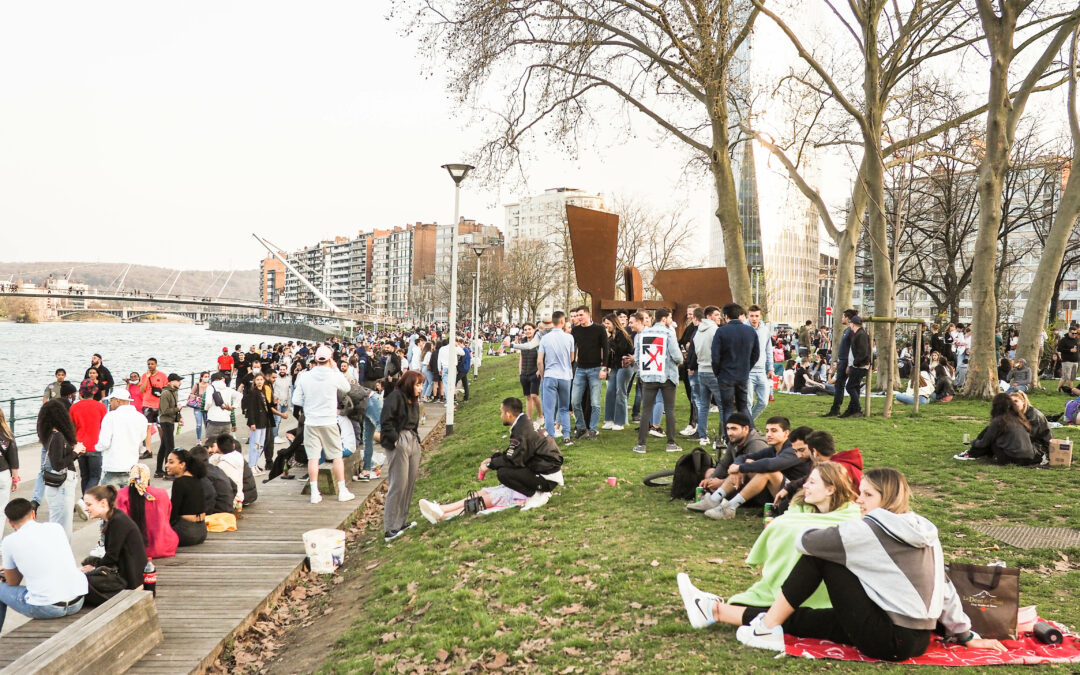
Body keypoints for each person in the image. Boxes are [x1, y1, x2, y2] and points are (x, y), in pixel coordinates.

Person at [684, 468, 1006, 660]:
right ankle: (715, 612)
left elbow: (805, 544)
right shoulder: (924, 528)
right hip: (913, 637)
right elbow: (944, 585)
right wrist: (965, 635)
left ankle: (766, 628)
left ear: (886, 498)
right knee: (807, 619)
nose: (858, 501)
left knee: (820, 557)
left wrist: (823, 531)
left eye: (866, 495)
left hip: (888, 637)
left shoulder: (869, 528)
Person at [680, 463, 861, 628]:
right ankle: (714, 608)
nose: (805, 486)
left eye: (812, 483)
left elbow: (774, 463)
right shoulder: (801, 510)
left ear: (830, 490)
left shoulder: (849, 520)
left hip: (828, 598)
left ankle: (713, 609)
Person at [419, 397, 563, 523]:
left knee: (501, 477)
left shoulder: (521, 429)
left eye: (501, 412)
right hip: (541, 470)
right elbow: (514, 454)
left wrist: (490, 465)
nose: (501, 416)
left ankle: (536, 494)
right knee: (486, 491)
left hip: (545, 477)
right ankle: (441, 509)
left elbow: (513, 459)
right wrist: (493, 460)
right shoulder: (524, 423)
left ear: (508, 414)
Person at [697, 419, 811, 521]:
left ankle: (730, 506)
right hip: (778, 493)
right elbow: (742, 457)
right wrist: (739, 468)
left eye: (774, 431)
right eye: (767, 431)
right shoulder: (773, 449)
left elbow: (771, 465)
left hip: (796, 495)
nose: (769, 434)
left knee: (767, 472)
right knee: (747, 464)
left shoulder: (793, 450)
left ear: (786, 433)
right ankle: (714, 499)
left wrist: (741, 468)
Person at [0, 498, 87, 631]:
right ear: (33, 514)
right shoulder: (56, 528)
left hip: (48, 607)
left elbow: (13, 582)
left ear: (11, 523)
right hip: (77, 600)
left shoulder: (9, 541)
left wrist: (8, 572)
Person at [292, 345, 355, 504]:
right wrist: (335, 369)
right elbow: (347, 388)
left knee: (312, 457)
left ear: (315, 359)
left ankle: (314, 493)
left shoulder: (305, 376)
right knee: (336, 456)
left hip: (311, 421)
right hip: (329, 420)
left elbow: (296, 400)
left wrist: (310, 403)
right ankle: (342, 491)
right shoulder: (333, 375)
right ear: (330, 358)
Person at [80, 485, 149, 603]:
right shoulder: (115, 518)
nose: (86, 509)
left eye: (89, 504)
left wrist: (94, 567)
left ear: (103, 503)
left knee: (80, 581)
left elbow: (111, 557)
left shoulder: (117, 521)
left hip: (129, 581)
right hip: (129, 576)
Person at [380, 370, 425, 542]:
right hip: (399, 440)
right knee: (398, 484)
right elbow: (386, 420)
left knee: (409, 483)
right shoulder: (395, 397)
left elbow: (413, 423)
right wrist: (395, 440)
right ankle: (390, 527)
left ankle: (401, 522)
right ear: (409, 384)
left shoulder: (413, 400)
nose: (420, 388)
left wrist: (416, 441)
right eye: (417, 384)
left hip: (412, 440)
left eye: (421, 385)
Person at [632, 309, 684, 454]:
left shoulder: (643, 334)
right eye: (670, 317)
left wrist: (642, 373)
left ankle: (641, 444)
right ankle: (671, 443)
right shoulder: (669, 333)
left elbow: (637, 357)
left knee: (646, 410)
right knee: (669, 410)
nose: (671, 320)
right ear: (664, 318)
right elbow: (677, 356)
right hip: (667, 376)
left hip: (649, 376)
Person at [37, 398, 86, 540]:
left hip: (59, 485)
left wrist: (74, 451)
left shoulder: (49, 435)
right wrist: (75, 452)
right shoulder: (57, 436)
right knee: (63, 527)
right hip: (63, 484)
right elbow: (58, 464)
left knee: (59, 523)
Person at [694, 413, 771, 494]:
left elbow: (751, 476)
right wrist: (711, 479)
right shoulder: (735, 440)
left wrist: (721, 483)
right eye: (728, 429)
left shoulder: (756, 445)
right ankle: (715, 492)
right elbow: (724, 463)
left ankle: (717, 495)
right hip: (736, 477)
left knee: (738, 473)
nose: (729, 433)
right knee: (710, 472)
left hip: (755, 486)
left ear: (746, 429)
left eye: (734, 429)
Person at [710, 303, 759, 430]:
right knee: (743, 407)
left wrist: (717, 372)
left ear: (726, 316)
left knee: (728, 409)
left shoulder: (721, 331)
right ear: (740, 315)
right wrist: (747, 367)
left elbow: (715, 356)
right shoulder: (750, 331)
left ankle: (729, 438)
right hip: (742, 374)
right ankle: (751, 433)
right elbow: (756, 354)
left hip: (726, 375)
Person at [115, 464, 178, 559]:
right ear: (148, 477)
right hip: (164, 546)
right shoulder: (161, 493)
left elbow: (120, 523)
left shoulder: (121, 494)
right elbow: (167, 516)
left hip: (134, 549)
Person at [957, 393, 1038, 465]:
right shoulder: (1020, 419)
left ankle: (972, 453)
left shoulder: (1000, 420)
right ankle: (973, 453)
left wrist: (973, 442)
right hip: (1029, 458)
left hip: (1011, 458)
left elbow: (985, 442)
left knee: (990, 436)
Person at [538, 311, 576, 446]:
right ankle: (567, 437)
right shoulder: (569, 338)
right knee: (564, 408)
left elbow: (540, 361)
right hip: (565, 376)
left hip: (550, 375)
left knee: (548, 410)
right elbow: (572, 358)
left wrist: (542, 374)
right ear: (562, 321)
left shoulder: (545, 339)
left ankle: (550, 439)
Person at [97, 389, 150, 486]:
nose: (110, 403)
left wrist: (97, 448)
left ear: (118, 401)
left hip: (112, 466)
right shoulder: (140, 417)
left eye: (111, 400)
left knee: (107, 499)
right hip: (131, 466)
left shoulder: (110, 416)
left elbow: (104, 442)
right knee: (128, 499)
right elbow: (142, 438)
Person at [70, 381, 107, 519]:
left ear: (81, 392)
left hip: (80, 445)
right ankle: (84, 502)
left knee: (85, 476)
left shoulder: (74, 407)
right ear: (94, 391)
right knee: (95, 476)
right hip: (95, 445)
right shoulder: (101, 407)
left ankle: (85, 505)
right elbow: (104, 426)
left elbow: (72, 426)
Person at [693, 306, 723, 447]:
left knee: (704, 405)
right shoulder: (716, 331)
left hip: (701, 370)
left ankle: (703, 435)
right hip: (713, 371)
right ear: (709, 316)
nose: (720, 317)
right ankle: (723, 436)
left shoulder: (698, 331)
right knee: (723, 405)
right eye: (717, 315)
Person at [164, 449, 207, 546]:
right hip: (202, 532)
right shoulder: (196, 479)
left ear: (182, 464)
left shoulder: (179, 482)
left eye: (171, 462)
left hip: (186, 532)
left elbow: (174, 512)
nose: (166, 465)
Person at [602, 314, 634, 431]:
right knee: (610, 392)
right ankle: (609, 419)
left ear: (614, 323)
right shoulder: (611, 337)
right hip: (614, 367)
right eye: (605, 324)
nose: (606, 326)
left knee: (621, 392)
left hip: (624, 367)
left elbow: (622, 351)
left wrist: (610, 341)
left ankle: (620, 421)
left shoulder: (623, 336)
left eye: (608, 324)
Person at [823, 310, 857, 417]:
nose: (842, 319)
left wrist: (848, 363)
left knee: (842, 385)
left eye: (843, 316)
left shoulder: (851, 331)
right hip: (842, 360)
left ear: (847, 318)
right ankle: (836, 408)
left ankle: (841, 408)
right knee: (839, 385)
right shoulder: (847, 330)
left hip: (846, 361)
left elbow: (852, 347)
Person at [838, 315, 871, 418]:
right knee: (854, 387)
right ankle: (851, 410)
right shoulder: (860, 334)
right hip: (858, 365)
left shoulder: (861, 335)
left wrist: (855, 364)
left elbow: (863, 352)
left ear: (852, 324)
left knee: (850, 387)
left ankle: (857, 409)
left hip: (859, 366)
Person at [189, 446, 235, 515]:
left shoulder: (202, 474)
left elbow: (210, 495)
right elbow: (234, 486)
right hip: (229, 511)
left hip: (217, 515)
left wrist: (204, 515)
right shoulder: (217, 469)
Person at [746, 305, 773, 423]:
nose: (754, 318)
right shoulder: (743, 329)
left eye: (756, 316)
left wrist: (771, 368)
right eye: (751, 316)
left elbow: (769, 350)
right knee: (748, 402)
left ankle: (747, 424)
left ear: (760, 316)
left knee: (763, 402)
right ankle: (747, 428)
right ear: (748, 316)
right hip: (748, 372)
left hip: (762, 371)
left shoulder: (765, 330)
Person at [242, 372, 272, 474]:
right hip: (256, 421)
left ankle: (255, 464)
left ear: (264, 381)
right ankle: (251, 465)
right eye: (258, 380)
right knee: (254, 444)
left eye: (261, 380)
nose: (259, 382)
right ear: (255, 381)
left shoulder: (263, 391)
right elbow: (251, 409)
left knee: (261, 444)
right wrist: (252, 422)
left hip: (264, 421)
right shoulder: (253, 392)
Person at [1009, 392, 1052, 461]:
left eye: (1016, 401)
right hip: (1027, 443)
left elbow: (1028, 436)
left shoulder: (1034, 416)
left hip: (1040, 447)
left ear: (1023, 401)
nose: (1013, 404)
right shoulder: (1015, 413)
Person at [139, 358, 168, 458]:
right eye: (148, 364)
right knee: (147, 427)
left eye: (152, 364)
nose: (150, 366)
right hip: (147, 404)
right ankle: (148, 450)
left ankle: (164, 447)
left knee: (161, 427)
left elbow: (166, 389)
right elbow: (142, 389)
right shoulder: (144, 376)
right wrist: (147, 378)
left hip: (159, 405)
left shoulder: (162, 376)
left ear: (156, 364)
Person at [208, 434, 245, 509]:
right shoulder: (239, 456)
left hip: (229, 501)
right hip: (239, 499)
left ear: (218, 447)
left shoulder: (221, 465)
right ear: (233, 445)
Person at [517, 323, 544, 424]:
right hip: (524, 373)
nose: (527, 331)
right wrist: (520, 372)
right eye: (525, 329)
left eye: (529, 329)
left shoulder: (538, 341)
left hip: (534, 372)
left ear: (534, 330)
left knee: (534, 395)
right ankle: (529, 420)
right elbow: (521, 357)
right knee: (528, 397)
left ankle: (541, 415)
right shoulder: (523, 341)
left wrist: (539, 370)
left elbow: (542, 356)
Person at [156, 373, 182, 478]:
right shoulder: (166, 393)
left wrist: (179, 417)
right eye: (178, 380)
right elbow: (164, 410)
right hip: (166, 421)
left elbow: (174, 407)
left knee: (163, 446)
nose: (180, 383)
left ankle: (158, 470)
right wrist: (177, 409)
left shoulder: (174, 392)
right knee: (170, 447)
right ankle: (168, 472)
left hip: (170, 421)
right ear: (171, 382)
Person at [204, 372, 240, 440]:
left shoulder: (210, 387)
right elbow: (239, 395)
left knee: (211, 444)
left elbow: (208, 402)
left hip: (213, 420)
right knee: (224, 445)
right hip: (226, 421)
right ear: (222, 379)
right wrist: (233, 407)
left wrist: (206, 408)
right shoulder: (228, 389)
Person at [0, 410, 19, 511]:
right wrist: (15, 479)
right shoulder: (7, 435)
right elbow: (13, 460)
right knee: (2, 510)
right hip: (3, 473)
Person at [189, 372, 211, 442]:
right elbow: (191, 394)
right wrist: (196, 397)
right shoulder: (197, 385)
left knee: (207, 423)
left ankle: (207, 438)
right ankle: (199, 439)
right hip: (198, 406)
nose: (206, 378)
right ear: (201, 377)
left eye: (208, 376)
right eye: (205, 376)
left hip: (207, 406)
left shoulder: (210, 386)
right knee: (199, 424)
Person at [1057, 326, 1080, 391]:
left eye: (1076, 333)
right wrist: (1069, 350)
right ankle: (1063, 389)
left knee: (1072, 377)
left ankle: (1068, 389)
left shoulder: (1076, 340)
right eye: (1073, 333)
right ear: (1069, 332)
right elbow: (1059, 349)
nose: (1074, 335)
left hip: (1075, 361)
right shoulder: (1064, 340)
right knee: (1066, 377)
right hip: (1067, 361)